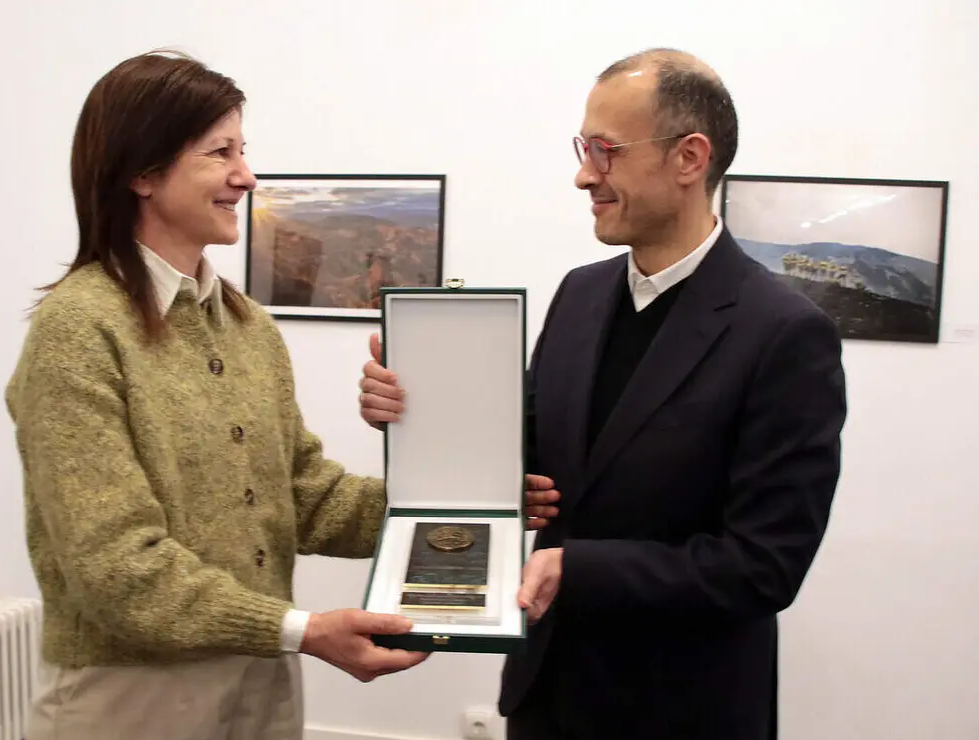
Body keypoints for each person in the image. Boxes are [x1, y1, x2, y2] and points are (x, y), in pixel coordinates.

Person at [358, 48, 847, 739]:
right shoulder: (580, 294)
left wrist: (580, 567)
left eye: (605, 150)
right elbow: (521, 452)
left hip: (682, 711)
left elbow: (763, 566)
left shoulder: (786, 334)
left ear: (689, 157)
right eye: (583, 148)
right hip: (545, 695)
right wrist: (409, 410)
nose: (584, 174)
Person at [5, 50, 430, 740]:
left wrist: (460, 503)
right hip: (131, 696)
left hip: (261, 673)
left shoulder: (246, 325)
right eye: (219, 153)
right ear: (144, 173)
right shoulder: (78, 330)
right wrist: (305, 630)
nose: (246, 176)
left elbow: (302, 497)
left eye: (243, 150)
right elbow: (114, 564)